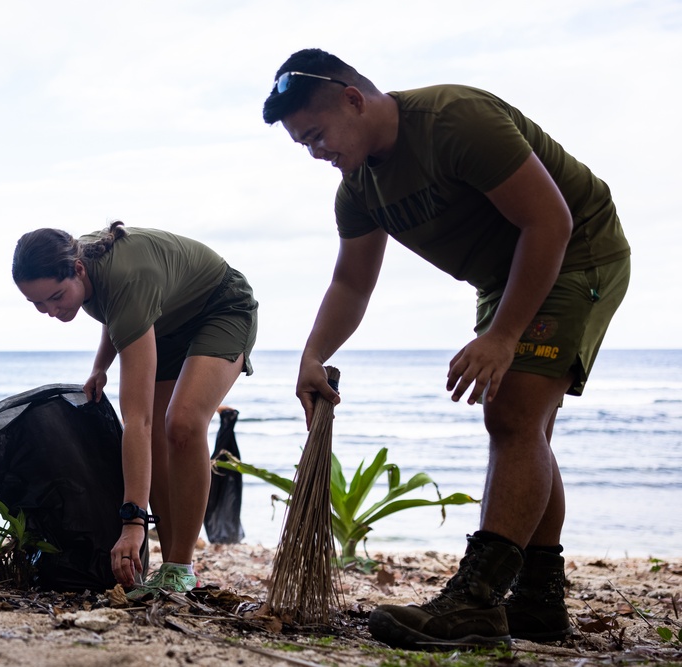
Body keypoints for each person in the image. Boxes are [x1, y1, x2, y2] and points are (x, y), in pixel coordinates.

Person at [262, 49, 630, 649]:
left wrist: (503, 336)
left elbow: (551, 223)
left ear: (354, 98)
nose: (315, 152)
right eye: (303, 143)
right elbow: (352, 281)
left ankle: (479, 602)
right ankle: (538, 602)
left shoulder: (453, 121)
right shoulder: (359, 189)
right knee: (524, 424)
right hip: (505, 276)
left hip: (575, 248)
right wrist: (311, 353)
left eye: (317, 134)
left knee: (510, 413)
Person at [11, 222, 257, 597]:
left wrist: (132, 523)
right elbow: (118, 314)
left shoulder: (128, 276)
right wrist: (100, 366)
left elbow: (135, 420)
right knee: (158, 438)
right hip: (165, 323)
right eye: (37, 303)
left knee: (183, 424)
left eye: (56, 297)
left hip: (220, 308)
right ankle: (174, 569)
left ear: (78, 269)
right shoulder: (85, 269)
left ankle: (180, 565)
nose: (49, 310)